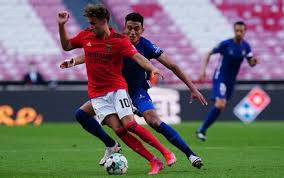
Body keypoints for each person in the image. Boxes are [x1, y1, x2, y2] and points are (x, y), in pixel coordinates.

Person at [62, 12, 208, 169]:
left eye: (136, 29)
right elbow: (92, 54)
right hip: (113, 90)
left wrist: (193, 88)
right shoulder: (117, 41)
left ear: (142, 30)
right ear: (124, 27)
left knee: (153, 121)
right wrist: (73, 61)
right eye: (129, 28)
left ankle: (190, 154)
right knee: (81, 115)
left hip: (136, 91)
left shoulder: (147, 46)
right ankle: (111, 144)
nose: (132, 32)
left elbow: (173, 66)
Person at [196, 21, 259, 141]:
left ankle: (203, 130)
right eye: (237, 30)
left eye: (241, 31)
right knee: (220, 103)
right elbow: (208, 53)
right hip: (221, 77)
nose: (239, 33)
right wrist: (203, 70)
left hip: (231, 81)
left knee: (220, 106)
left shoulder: (246, 46)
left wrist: (254, 62)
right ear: (234, 30)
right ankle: (201, 129)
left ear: (245, 32)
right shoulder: (226, 44)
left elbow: (251, 62)